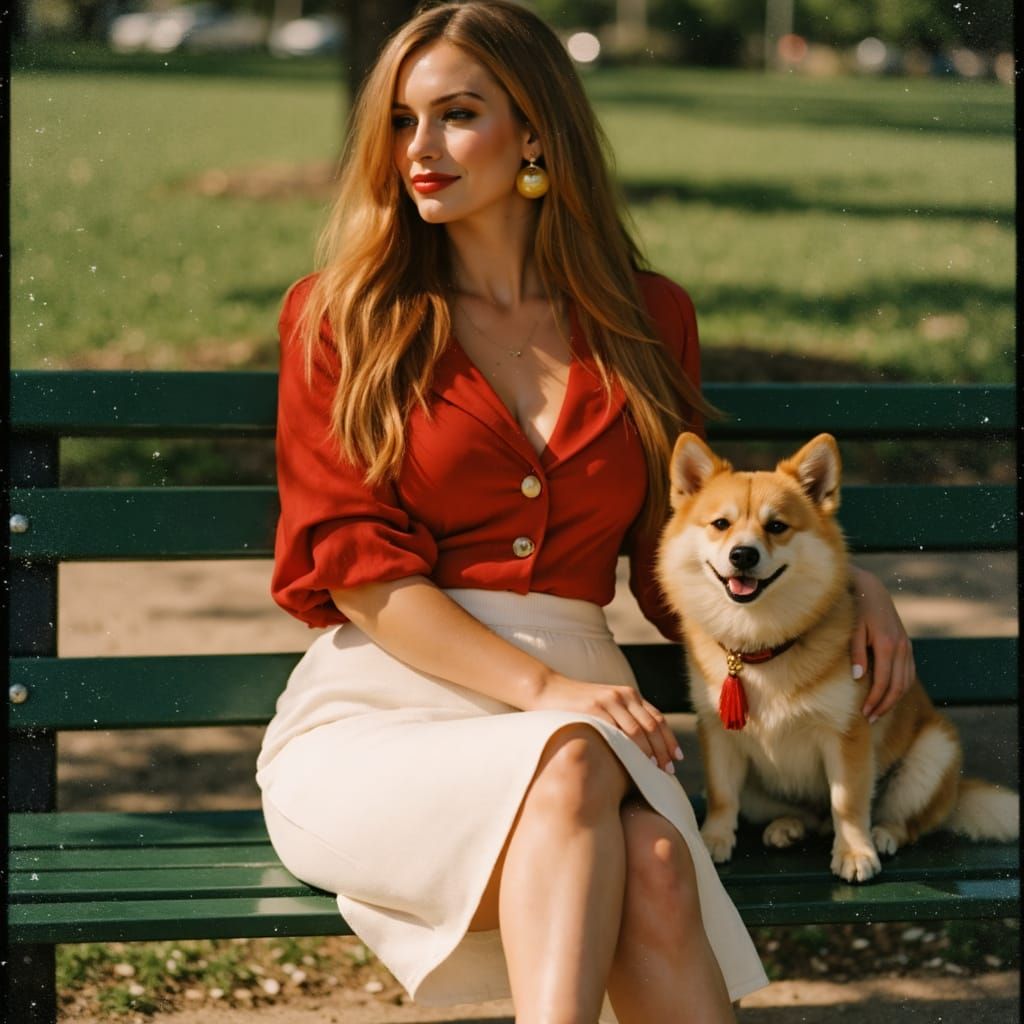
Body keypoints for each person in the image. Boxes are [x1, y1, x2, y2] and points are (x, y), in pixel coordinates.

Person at [256, 3, 915, 1021]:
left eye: (454, 115)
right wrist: (546, 689)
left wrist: (845, 585)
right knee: (577, 771)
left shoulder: (647, 319)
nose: (417, 149)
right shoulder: (344, 315)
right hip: (387, 710)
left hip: (583, 721)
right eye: (397, 121)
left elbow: (683, 549)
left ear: (534, 133)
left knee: (655, 863)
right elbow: (358, 570)